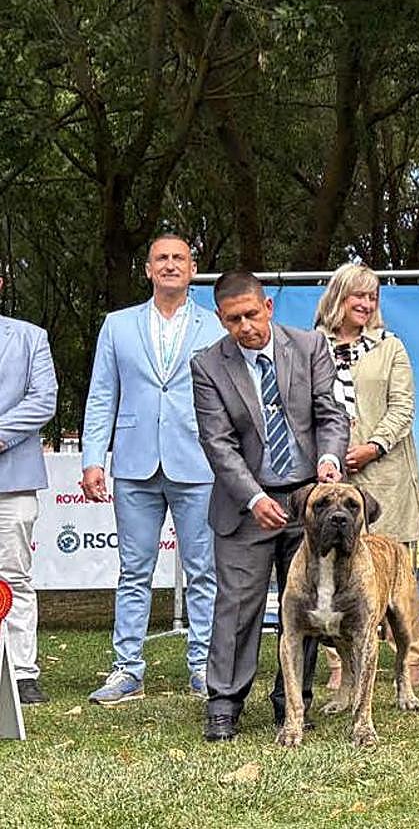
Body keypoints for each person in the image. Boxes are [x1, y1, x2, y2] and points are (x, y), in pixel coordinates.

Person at [191, 271, 349, 741]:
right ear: (220, 319)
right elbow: (218, 444)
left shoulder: (309, 346)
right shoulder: (207, 366)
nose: (244, 326)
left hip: (308, 503)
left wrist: (329, 459)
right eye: (233, 320)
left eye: (251, 315)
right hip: (246, 506)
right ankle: (224, 703)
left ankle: (292, 703)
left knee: (304, 607)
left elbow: (331, 413)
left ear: (268, 308)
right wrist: (254, 497)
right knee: (237, 607)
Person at [81, 234, 225, 705]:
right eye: (161, 258)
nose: (169, 264)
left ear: (192, 268)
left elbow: (230, 395)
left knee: (203, 570)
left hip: (198, 461)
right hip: (134, 463)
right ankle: (127, 670)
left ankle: (204, 666)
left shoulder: (214, 326)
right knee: (134, 571)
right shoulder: (117, 325)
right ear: (147, 269)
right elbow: (102, 395)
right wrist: (93, 458)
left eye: (178, 258)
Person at [313, 262, 419, 689]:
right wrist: (329, 455)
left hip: (385, 475)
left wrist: (372, 446)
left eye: (372, 296)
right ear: (337, 297)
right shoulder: (311, 346)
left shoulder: (390, 347)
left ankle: (408, 662)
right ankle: (341, 667)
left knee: (393, 574)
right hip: (330, 476)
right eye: (357, 295)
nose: (365, 303)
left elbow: (403, 407)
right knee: (330, 569)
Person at [0, 274, 58, 705]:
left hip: (12, 480)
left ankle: (21, 673)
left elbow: (43, 401)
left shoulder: (30, 338)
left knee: (13, 577)